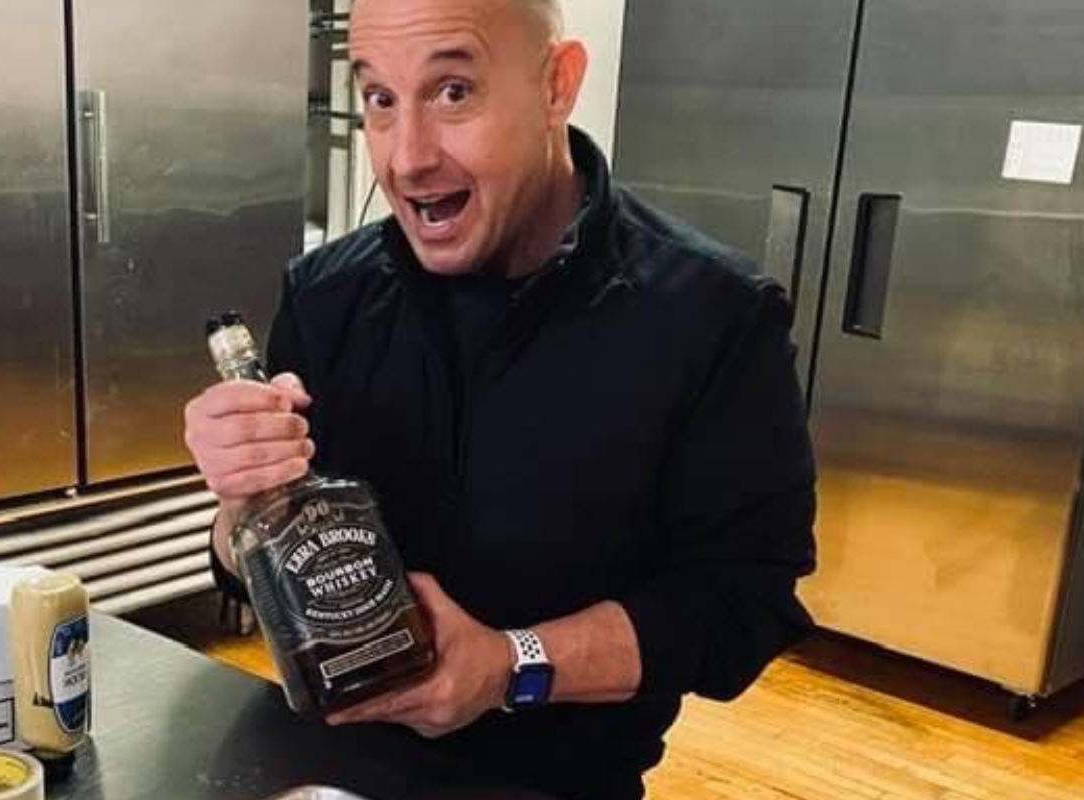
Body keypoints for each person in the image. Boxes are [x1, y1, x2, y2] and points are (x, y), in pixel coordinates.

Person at [182, 0, 817, 796]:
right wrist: (241, 510)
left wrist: (512, 664)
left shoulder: (712, 316)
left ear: (557, 84)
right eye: (380, 98)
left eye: (453, 92)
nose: (408, 158)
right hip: (328, 770)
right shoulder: (324, 298)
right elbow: (253, 570)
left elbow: (741, 606)